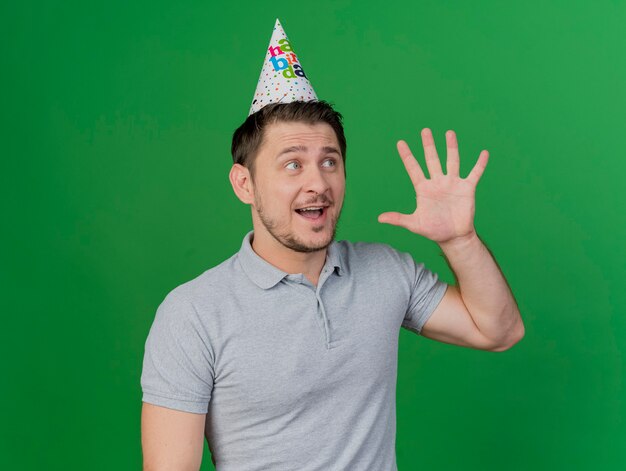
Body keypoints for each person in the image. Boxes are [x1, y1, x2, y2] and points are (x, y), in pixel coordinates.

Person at [140, 20, 524, 471]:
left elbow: (499, 331)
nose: (317, 182)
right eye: (292, 164)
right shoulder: (193, 313)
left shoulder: (387, 271)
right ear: (244, 183)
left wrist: (460, 239)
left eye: (329, 161)